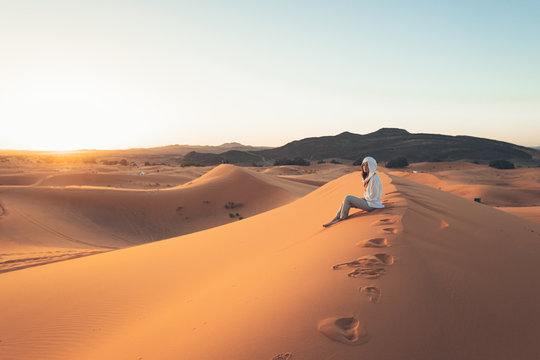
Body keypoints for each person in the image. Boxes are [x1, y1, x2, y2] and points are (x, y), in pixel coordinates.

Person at [323, 156, 384, 227]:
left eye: (367, 165)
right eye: (364, 165)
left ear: (372, 166)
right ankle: (335, 218)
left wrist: (365, 198)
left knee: (348, 198)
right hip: (369, 202)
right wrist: (365, 199)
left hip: (372, 205)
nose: (365, 167)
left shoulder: (374, 179)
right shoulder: (369, 178)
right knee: (345, 202)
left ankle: (341, 219)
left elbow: (374, 197)